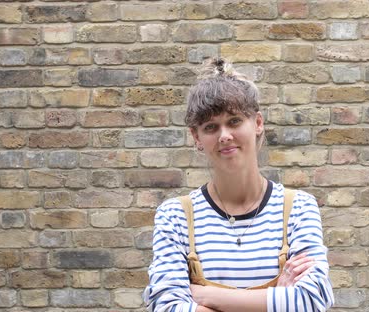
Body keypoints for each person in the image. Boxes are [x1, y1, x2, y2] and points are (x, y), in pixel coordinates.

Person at [143, 58, 334, 312]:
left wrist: (206, 295)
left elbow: (312, 300)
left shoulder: (298, 208)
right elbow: (166, 306)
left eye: (234, 121)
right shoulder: (175, 216)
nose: (224, 136)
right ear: (196, 137)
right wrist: (276, 299)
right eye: (211, 127)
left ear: (257, 123)